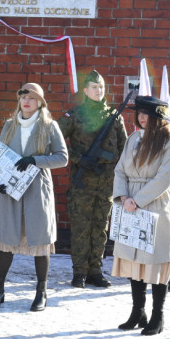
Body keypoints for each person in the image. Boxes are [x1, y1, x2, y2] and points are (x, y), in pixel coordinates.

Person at [0, 83, 68, 311]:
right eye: (23, 96)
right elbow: (0, 156)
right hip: (11, 189)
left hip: (37, 188)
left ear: (40, 102)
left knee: (40, 240)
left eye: (32, 98)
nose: (26, 101)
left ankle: (41, 292)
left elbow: (62, 158)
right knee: (6, 239)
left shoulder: (49, 126)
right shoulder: (9, 126)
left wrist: (35, 160)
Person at [111, 96, 170, 336]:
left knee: (155, 260)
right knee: (134, 257)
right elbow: (120, 170)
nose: (142, 117)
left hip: (155, 204)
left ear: (159, 117)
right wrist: (123, 197)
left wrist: (138, 200)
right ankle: (138, 312)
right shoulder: (133, 138)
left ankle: (158, 315)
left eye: (147, 114)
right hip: (130, 201)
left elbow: (165, 177)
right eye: (140, 113)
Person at [58, 69, 128, 288]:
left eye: (102, 87)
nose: (99, 91)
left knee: (100, 229)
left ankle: (95, 271)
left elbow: (124, 149)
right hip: (82, 184)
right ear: (86, 90)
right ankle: (79, 272)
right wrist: (78, 158)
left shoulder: (114, 117)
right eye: (95, 87)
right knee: (80, 229)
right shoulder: (75, 115)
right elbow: (54, 142)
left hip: (106, 185)